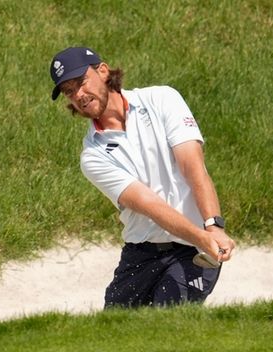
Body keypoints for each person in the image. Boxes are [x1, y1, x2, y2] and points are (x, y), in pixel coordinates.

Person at [49, 46, 236, 308]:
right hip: (141, 253)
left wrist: (213, 227)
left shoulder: (162, 99)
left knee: (167, 323)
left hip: (193, 251)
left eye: (81, 82)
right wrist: (203, 237)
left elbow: (193, 168)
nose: (78, 95)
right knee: (113, 334)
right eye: (69, 91)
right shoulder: (93, 156)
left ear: (102, 71)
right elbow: (150, 205)